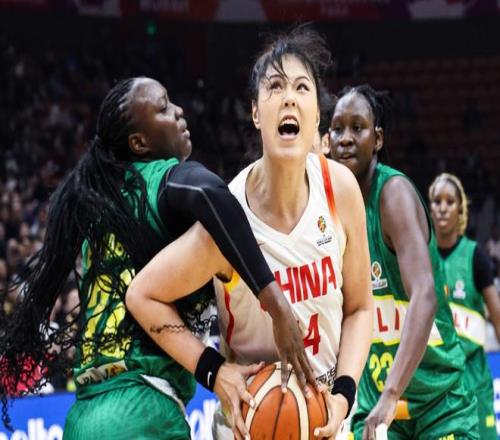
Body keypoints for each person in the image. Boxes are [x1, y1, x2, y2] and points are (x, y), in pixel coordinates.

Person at [0, 77, 313, 439]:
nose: (179, 111)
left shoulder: (100, 215)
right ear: (140, 143)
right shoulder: (156, 180)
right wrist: (275, 304)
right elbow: (210, 193)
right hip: (142, 408)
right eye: (164, 108)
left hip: (83, 415)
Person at [204, 27, 373, 439]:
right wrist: (213, 372)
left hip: (326, 417)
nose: (289, 97)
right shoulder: (227, 209)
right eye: (275, 87)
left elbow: (360, 308)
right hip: (249, 420)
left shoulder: (340, 189)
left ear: (316, 117)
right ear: (255, 113)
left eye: (301, 87)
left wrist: (343, 395)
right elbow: (148, 296)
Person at [329, 84, 479, 440]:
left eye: (357, 127)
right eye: (337, 129)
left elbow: (425, 296)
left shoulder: (392, 194)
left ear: (378, 139)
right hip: (375, 406)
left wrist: (391, 393)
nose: (345, 138)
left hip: (439, 405)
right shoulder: (330, 206)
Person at [429, 172, 500, 439]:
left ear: (460, 210)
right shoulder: (420, 256)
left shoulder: (475, 256)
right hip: (436, 379)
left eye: (450, 202)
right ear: (429, 208)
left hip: (473, 376)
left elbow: (498, 319)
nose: (443, 207)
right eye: (437, 201)